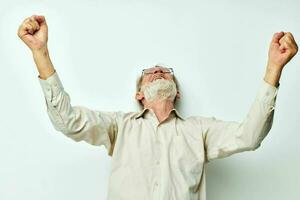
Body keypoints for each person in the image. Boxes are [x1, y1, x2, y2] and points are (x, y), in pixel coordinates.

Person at [18, 15, 298, 200]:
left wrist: (274, 67)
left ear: (176, 92)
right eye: (150, 72)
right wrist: (40, 53)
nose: (159, 71)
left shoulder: (199, 131)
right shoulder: (119, 126)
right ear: (139, 94)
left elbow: (249, 136)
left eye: (166, 71)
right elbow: (67, 121)